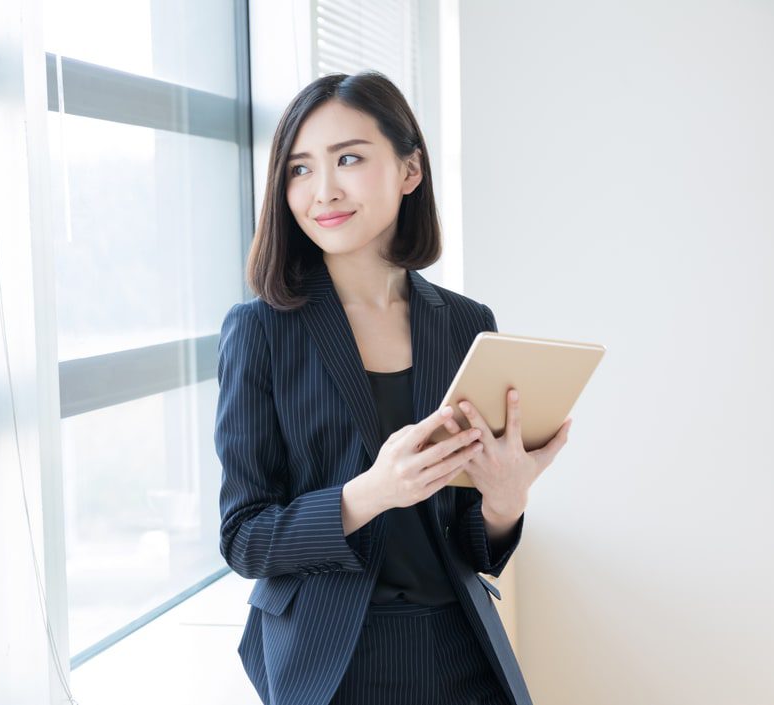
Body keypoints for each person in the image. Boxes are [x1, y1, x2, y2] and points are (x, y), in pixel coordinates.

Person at [215, 71, 572, 705]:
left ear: (411, 170)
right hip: (330, 660)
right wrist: (372, 493)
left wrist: (505, 500)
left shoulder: (466, 323)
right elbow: (244, 536)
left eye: (348, 158)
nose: (323, 190)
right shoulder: (261, 330)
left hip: (458, 645)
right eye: (299, 169)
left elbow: (473, 541)